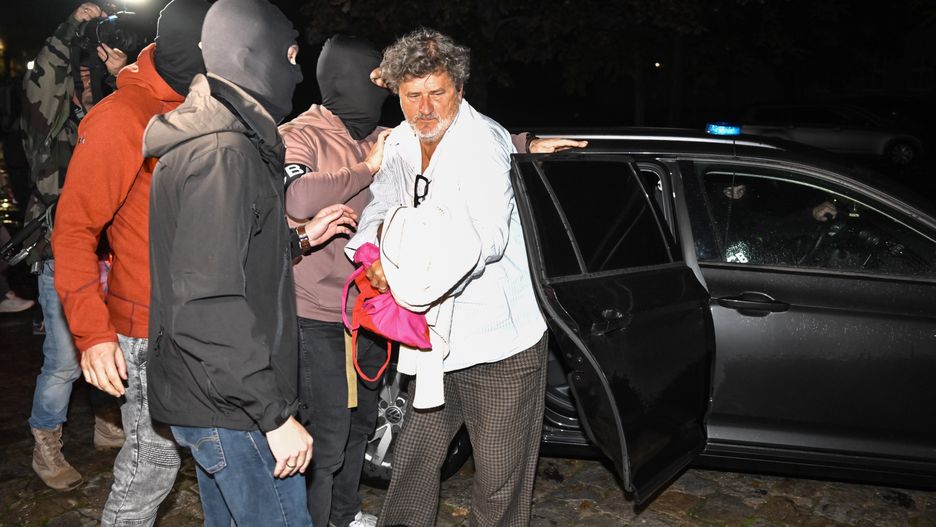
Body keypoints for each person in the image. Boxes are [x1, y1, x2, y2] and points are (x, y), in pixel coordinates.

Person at [143, 0, 356, 524]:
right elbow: (206, 303)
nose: (298, 74)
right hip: (234, 406)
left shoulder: (227, 142)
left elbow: (228, 256)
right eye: (291, 56)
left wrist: (298, 239)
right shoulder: (223, 153)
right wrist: (273, 415)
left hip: (221, 395)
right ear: (253, 55)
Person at [345, 28, 550, 526]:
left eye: (436, 93)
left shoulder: (483, 144)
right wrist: (373, 253)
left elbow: (485, 241)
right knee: (413, 463)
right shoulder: (400, 142)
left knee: (499, 480)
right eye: (411, 95)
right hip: (433, 339)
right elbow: (380, 206)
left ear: (459, 87)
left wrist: (398, 266)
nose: (424, 108)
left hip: (500, 343)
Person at [51, 0, 210, 523]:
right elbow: (74, 230)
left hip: (204, 320)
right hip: (147, 327)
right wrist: (93, 335)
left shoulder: (208, 103)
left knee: (221, 457)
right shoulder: (122, 115)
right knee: (152, 464)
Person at [20, 1, 127, 491]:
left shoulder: (104, 118)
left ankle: (106, 422)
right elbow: (45, 74)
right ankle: (45, 444)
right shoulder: (50, 127)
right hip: (61, 251)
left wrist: (120, 75)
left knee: (113, 342)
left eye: (90, 75)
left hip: (112, 253)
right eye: (76, 75)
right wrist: (72, 28)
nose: (85, 81)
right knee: (64, 359)